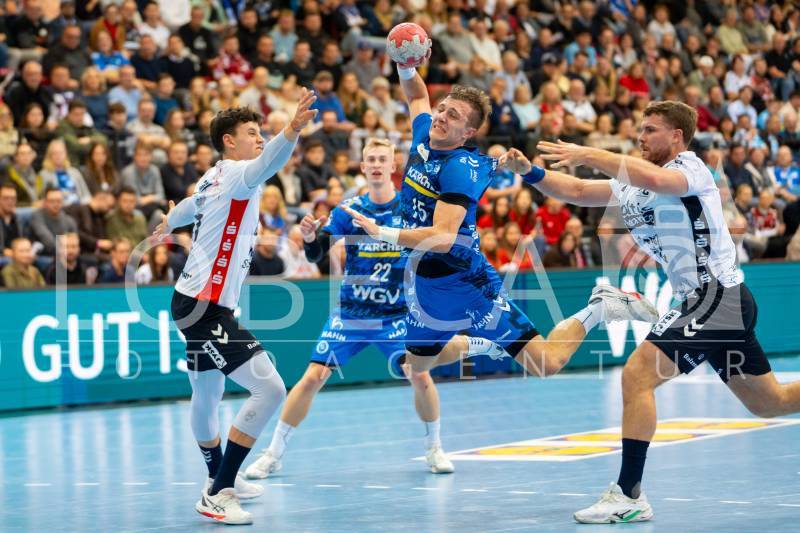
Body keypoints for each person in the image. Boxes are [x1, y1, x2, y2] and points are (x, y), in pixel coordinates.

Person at [521, 100, 800, 523]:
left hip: (716, 297)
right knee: (769, 403)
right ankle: (629, 494)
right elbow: (576, 191)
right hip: (709, 303)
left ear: (676, 136)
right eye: (640, 129)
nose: (641, 136)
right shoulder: (631, 182)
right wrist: (529, 172)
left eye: (650, 129)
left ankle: (629, 494)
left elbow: (655, 178)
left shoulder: (692, 169)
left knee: (637, 375)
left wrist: (588, 153)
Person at [344, 56, 655, 412]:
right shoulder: (424, 134)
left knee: (546, 364)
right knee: (414, 366)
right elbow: (417, 96)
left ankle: (600, 308)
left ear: (468, 133)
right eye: (442, 109)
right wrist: (405, 65)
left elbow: (443, 238)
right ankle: (482, 344)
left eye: (453, 116)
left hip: (467, 285)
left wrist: (382, 232)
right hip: (423, 283)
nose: (441, 116)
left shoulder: (461, 169)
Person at [245, 138, 454, 481]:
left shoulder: (411, 208)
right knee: (313, 376)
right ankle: (273, 454)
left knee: (418, 374)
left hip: (396, 314)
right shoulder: (349, 210)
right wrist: (310, 238)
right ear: (363, 167)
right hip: (351, 313)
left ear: (392, 166)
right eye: (371, 159)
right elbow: (317, 254)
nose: (376, 165)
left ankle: (434, 448)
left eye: (382, 159)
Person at [152, 92, 317, 525]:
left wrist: (169, 221)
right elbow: (270, 163)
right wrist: (292, 129)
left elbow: (190, 206)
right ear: (229, 141)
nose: (260, 139)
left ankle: (219, 476)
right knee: (271, 389)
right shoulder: (240, 174)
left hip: (196, 302)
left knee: (208, 394)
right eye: (252, 133)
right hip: (204, 308)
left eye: (262, 133)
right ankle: (219, 490)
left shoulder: (214, 176)